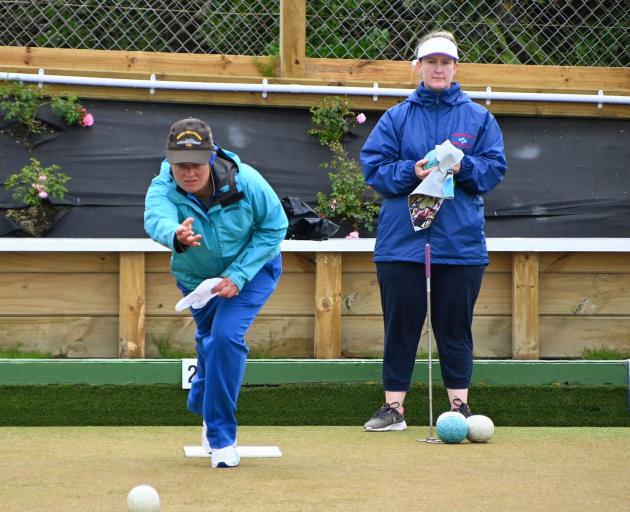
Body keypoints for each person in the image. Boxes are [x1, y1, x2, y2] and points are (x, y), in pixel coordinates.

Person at [360, 31, 507, 431]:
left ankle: (459, 407)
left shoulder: (479, 118)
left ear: (456, 67)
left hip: (458, 245)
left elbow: (494, 169)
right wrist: (413, 171)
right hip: (401, 244)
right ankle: (394, 409)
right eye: (431, 62)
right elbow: (374, 167)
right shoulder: (396, 117)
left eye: (445, 62)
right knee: (400, 326)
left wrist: (465, 167)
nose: (438, 68)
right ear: (418, 68)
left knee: (454, 327)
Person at [144, 118, 288, 465]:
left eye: (195, 164)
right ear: (170, 160)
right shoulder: (162, 185)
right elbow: (155, 218)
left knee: (224, 338)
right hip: (198, 281)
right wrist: (175, 234)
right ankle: (203, 401)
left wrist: (238, 275)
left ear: (211, 157)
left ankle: (221, 438)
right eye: (180, 165)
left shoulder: (246, 180)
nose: (188, 173)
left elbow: (275, 226)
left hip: (252, 273)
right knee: (211, 339)